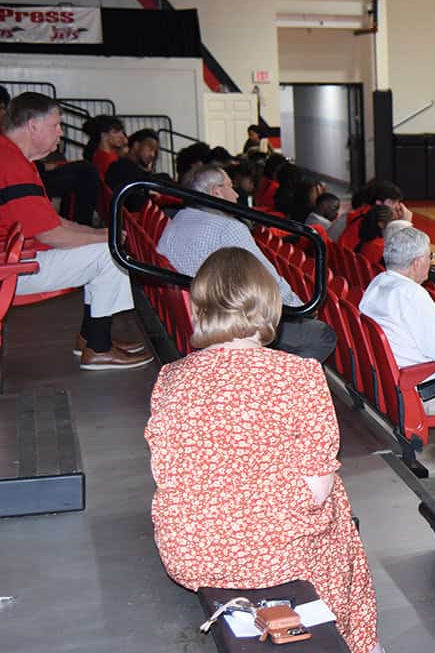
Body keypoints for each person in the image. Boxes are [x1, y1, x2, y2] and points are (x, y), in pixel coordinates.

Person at [145, 248, 382, 653]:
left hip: (195, 552)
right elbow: (317, 492)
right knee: (337, 500)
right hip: (279, 553)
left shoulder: (171, 378)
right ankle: (359, 641)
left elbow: (168, 473)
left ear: (199, 308)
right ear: (270, 306)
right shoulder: (301, 374)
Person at [0, 92, 151, 369]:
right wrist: (107, 238)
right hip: (10, 270)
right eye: (56, 125)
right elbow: (51, 234)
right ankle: (99, 348)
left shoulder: (13, 157)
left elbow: (52, 222)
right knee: (109, 254)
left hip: (15, 259)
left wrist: (101, 233)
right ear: (32, 125)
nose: (61, 133)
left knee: (105, 246)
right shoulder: (10, 163)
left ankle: (90, 338)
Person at [157, 164, 336, 362]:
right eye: (230, 187)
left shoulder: (177, 219)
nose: (235, 195)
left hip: (190, 316)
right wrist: (302, 309)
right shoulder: (229, 228)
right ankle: (277, 383)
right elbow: (268, 280)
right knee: (323, 335)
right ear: (217, 192)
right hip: (228, 322)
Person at [358, 226, 435, 414]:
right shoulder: (412, 294)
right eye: (429, 256)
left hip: (391, 387)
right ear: (417, 262)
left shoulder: (378, 283)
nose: (431, 261)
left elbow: (412, 337)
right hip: (426, 394)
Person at [340, 179, 412, 251]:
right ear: (378, 203)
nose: (397, 207)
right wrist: (405, 224)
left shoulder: (362, 212)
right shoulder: (372, 222)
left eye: (398, 202)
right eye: (392, 202)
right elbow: (397, 252)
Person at [105, 128, 164, 213]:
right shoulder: (122, 167)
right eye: (150, 149)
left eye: (155, 151)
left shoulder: (137, 171)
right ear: (136, 145)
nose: (152, 155)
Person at [86, 115, 126, 182]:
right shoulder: (103, 159)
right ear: (104, 135)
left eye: (122, 132)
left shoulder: (112, 155)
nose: (122, 136)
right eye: (116, 132)